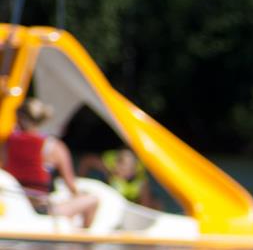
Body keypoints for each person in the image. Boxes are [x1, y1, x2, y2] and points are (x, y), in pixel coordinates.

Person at [1, 97, 99, 227]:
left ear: (18, 117)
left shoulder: (6, 143)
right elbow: (71, 187)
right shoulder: (54, 147)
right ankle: (84, 240)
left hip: (12, 202)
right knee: (92, 200)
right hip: (40, 208)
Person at [78, 148, 160, 209]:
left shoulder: (141, 183)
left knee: (157, 205)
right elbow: (87, 160)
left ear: (134, 170)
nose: (119, 169)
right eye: (119, 165)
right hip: (109, 196)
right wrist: (80, 180)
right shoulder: (110, 168)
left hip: (130, 201)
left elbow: (145, 207)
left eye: (126, 169)